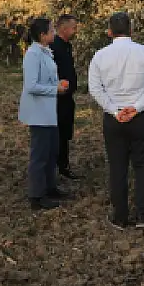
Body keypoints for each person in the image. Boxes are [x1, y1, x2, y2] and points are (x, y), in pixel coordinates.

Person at [87, 11, 144, 228]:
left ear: (109, 32)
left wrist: (113, 109)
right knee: (143, 165)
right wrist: (137, 107)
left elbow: (95, 88)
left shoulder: (100, 56)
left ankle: (120, 216)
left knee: (117, 167)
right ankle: (143, 215)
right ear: (131, 30)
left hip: (114, 118)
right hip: (140, 117)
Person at [19, 17, 69, 211]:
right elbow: (31, 86)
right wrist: (55, 89)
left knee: (51, 151)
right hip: (38, 113)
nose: (54, 34)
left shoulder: (45, 52)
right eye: (51, 31)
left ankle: (50, 187)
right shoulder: (33, 55)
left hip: (48, 111)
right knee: (40, 154)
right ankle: (37, 195)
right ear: (42, 35)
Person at [52, 13, 80, 179]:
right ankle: (58, 166)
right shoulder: (54, 46)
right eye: (73, 27)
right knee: (59, 133)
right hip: (57, 98)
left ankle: (64, 164)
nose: (75, 31)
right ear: (64, 28)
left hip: (67, 97)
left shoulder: (67, 45)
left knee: (65, 131)